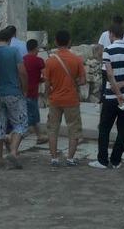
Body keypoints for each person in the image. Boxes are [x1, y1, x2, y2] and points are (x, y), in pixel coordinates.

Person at [90, 23, 124, 169]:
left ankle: (102, 160)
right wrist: (123, 85)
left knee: (105, 128)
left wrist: (117, 91)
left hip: (112, 96)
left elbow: (110, 74)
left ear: (111, 34)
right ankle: (116, 160)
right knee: (123, 130)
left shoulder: (108, 50)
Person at [44, 29, 86, 167]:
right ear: (69, 42)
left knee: (52, 129)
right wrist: (73, 82)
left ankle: (54, 158)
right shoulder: (77, 59)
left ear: (56, 42)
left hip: (55, 99)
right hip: (71, 99)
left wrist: (48, 95)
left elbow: (47, 83)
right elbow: (83, 80)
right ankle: (70, 158)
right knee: (73, 129)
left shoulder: (50, 61)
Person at [0, 29, 29, 169]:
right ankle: (13, 151)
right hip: (13, 92)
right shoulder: (14, 51)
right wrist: (24, 88)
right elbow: (22, 72)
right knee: (21, 123)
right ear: (10, 39)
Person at [23, 38, 47, 145]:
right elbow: (46, 75)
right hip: (32, 93)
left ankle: (39, 136)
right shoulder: (39, 61)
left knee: (28, 115)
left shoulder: (22, 59)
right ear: (35, 48)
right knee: (34, 116)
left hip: (22, 92)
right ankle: (12, 137)